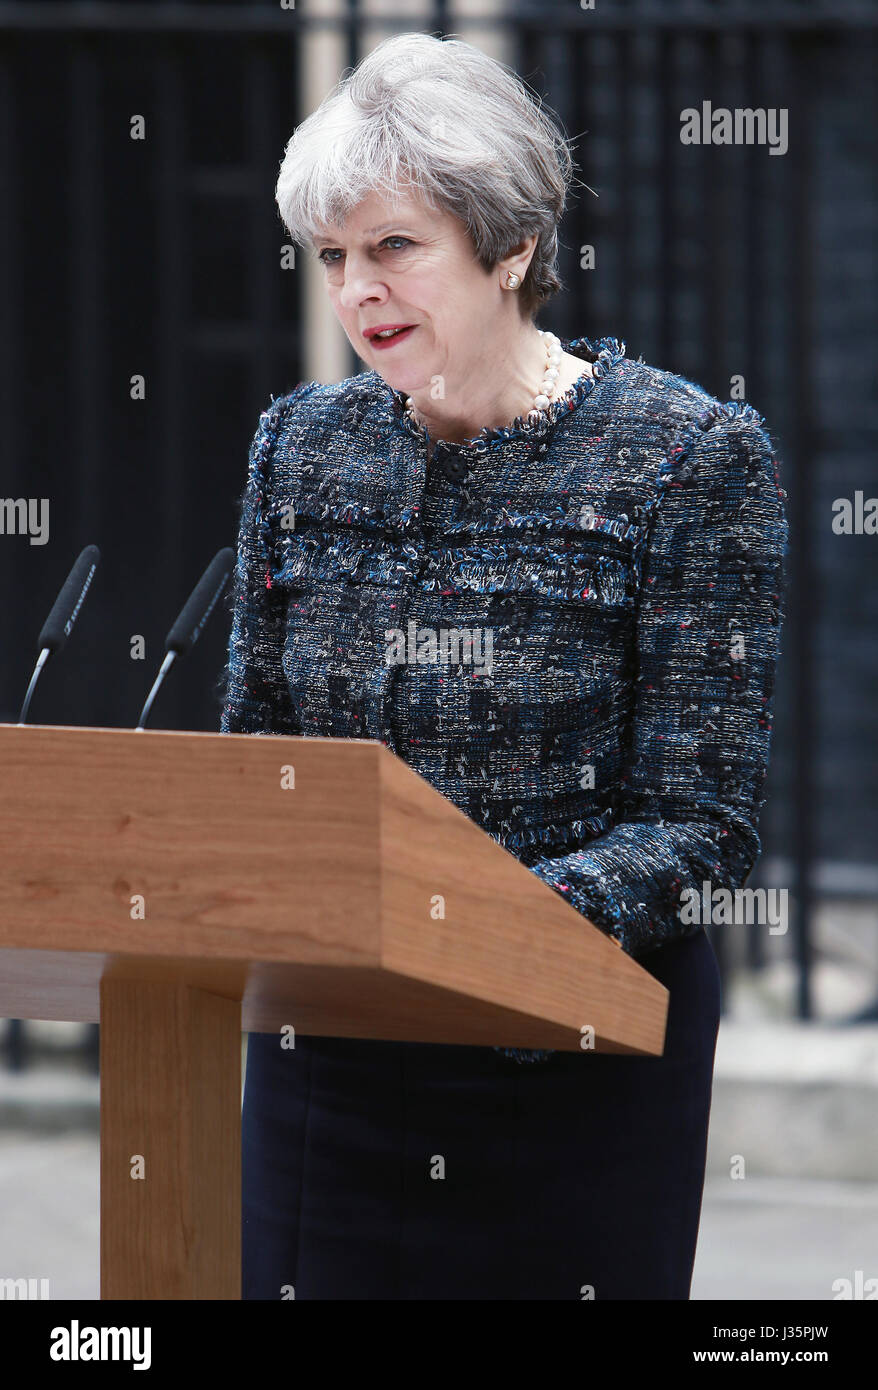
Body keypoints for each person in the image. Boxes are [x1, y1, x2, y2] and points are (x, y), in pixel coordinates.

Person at [221, 32, 788, 1299]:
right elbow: (258, 755)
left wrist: (476, 931)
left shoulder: (684, 460)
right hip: (335, 1051)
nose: (358, 288)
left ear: (512, 245)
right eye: (333, 257)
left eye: (394, 246)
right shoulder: (299, 450)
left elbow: (698, 823)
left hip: (570, 1056)